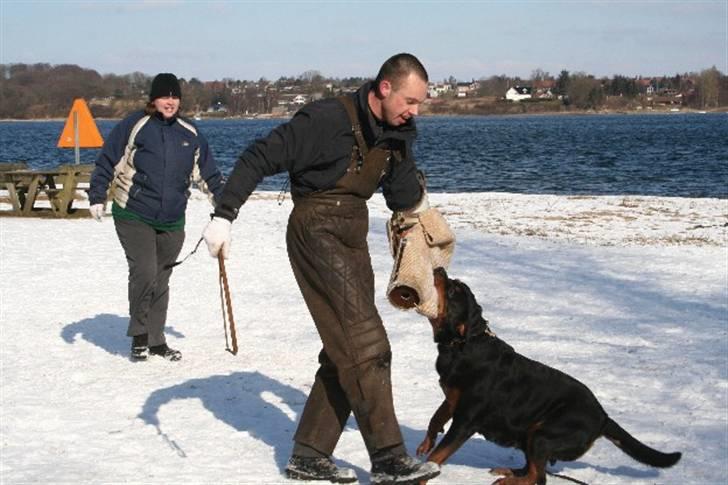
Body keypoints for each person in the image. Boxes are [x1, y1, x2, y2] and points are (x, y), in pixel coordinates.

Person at [202, 53, 441, 484]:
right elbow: (259, 156)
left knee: (342, 347)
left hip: (352, 234)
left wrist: (421, 210)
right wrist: (224, 215)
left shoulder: (397, 130)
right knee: (367, 344)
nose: (415, 110)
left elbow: (400, 193)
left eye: (420, 104)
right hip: (314, 229)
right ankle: (389, 458)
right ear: (384, 88)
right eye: (410, 101)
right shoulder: (326, 119)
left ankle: (309, 454)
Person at [89, 73, 224, 362]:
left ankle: (156, 339)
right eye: (165, 96)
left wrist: (224, 205)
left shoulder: (190, 132)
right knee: (145, 272)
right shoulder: (136, 125)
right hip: (134, 212)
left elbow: (208, 174)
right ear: (153, 99)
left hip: (173, 218)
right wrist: (97, 195)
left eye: (175, 97)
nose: (170, 102)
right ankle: (139, 336)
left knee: (161, 278)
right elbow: (108, 159)